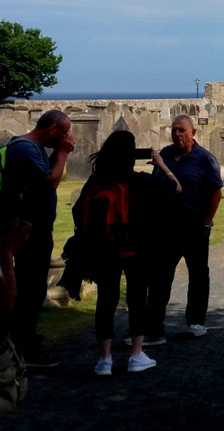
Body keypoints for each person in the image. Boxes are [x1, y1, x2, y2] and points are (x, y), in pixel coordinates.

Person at [75, 131, 181, 375]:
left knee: (106, 300)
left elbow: (80, 210)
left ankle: (104, 360)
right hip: (135, 248)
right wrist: (162, 166)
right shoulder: (140, 180)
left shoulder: (96, 181)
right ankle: (136, 355)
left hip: (103, 248)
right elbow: (175, 189)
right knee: (136, 299)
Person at [0, 109, 74, 367]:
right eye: (64, 132)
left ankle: (22, 343)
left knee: (33, 287)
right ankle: (24, 349)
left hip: (34, 229)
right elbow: (49, 181)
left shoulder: (33, 149)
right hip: (28, 231)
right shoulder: (26, 149)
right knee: (29, 290)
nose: (67, 138)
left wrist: (57, 153)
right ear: (52, 129)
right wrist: (62, 152)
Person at [145, 115, 223, 340]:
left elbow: (216, 192)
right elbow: (156, 184)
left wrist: (206, 222)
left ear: (193, 133)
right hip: (166, 227)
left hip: (194, 226)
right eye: (174, 130)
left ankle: (196, 320)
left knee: (198, 275)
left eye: (182, 130)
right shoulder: (166, 155)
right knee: (160, 277)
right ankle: (154, 326)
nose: (177, 134)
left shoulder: (205, 160)